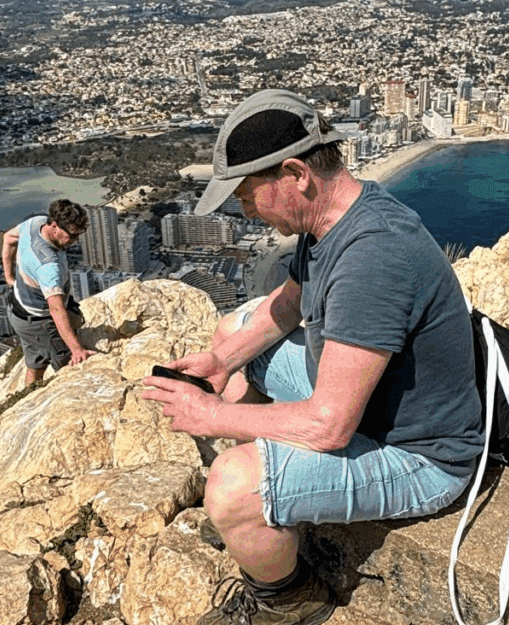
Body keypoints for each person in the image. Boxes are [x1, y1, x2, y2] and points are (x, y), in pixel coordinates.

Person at [142, 89, 484, 625]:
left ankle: (290, 598)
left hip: (420, 455)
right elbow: (285, 307)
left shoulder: (372, 256)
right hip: (365, 405)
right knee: (232, 330)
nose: (243, 209)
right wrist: (221, 362)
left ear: (296, 174)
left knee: (230, 486)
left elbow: (328, 427)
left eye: (247, 193)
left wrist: (209, 417)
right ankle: (271, 507)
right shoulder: (332, 222)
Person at [3, 199, 95, 386]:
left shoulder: (34, 223)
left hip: (20, 312)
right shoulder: (47, 265)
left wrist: (9, 275)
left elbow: (8, 238)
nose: (74, 241)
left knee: (36, 364)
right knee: (71, 373)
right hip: (42, 322)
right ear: (54, 226)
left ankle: (28, 396)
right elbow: (56, 310)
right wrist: (76, 350)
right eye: (71, 235)